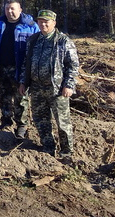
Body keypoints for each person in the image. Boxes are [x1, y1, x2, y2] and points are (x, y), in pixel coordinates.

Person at [19, 10, 79, 158]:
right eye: (40, 21)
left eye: (47, 21)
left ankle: (66, 153)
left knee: (62, 123)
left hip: (57, 89)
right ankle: (48, 147)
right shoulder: (33, 40)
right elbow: (26, 63)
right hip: (37, 87)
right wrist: (23, 82)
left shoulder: (63, 41)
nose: (43, 24)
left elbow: (73, 65)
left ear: (54, 23)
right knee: (41, 120)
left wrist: (69, 85)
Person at [0, 0, 39, 139]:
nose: (9, 12)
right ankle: (5, 121)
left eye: (12, 9)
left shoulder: (30, 26)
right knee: (3, 95)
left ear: (20, 10)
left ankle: (22, 126)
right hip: (2, 67)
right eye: (7, 9)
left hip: (21, 68)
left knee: (21, 98)